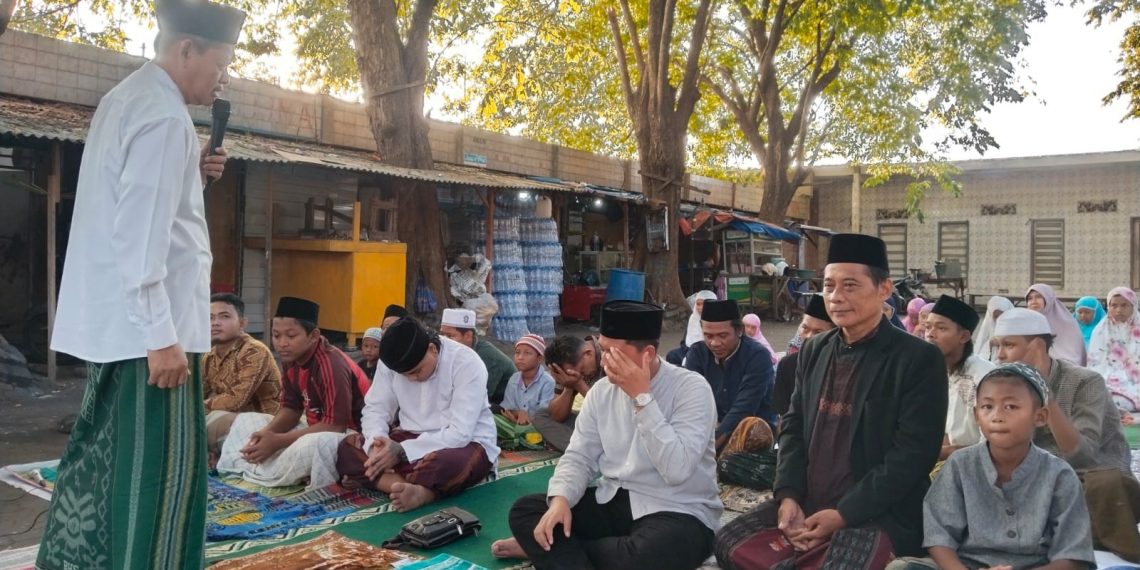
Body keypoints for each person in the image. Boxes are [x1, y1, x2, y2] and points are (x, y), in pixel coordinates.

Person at [36, 2, 246, 568]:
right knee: (157, 483)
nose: (223, 76)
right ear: (187, 50)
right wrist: (161, 336)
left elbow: (138, 212)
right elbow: (137, 238)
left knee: (102, 468)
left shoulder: (128, 99)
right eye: (221, 61)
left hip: (124, 330)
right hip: (150, 339)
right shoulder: (163, 117)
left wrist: (190, 174)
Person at [714, 233, 948, 570]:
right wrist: (789, 496)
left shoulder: (917, 358)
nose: (835, 298)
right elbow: (792, 426)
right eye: (828, 286)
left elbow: (913, 455)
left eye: (850, 285)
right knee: (728, 542)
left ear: (884, 288)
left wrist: (843, 515)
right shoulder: (814, 349)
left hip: (875, 511)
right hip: (811, 500)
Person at [494, 300, 723, 569]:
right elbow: (579, 457)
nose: (604, 361)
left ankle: (549, 551)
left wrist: (642, 398)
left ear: (647, 354)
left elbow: (677, 470)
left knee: (640, 557)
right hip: (615, 498)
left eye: (613, 352)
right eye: (602, 350)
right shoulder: (602, 392)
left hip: (679, 508)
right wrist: (560, 500)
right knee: (527, 511)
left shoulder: (692, 389)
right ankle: (556, 548)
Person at [888, 363, 1095, 570]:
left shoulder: (1059, 474)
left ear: (1039, 417)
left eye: (1011, 407)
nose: (997, 416)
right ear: (977, 415)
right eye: (988, 407)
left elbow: (1072, 554)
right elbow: (938, 537)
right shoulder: (960, 465)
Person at [993, 308, 1140, 562]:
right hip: (1036, 476)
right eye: (997, 346)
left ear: (1037, 346)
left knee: (1103, 486)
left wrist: (1042, 389)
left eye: (1008, 345)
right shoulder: (1002, 384)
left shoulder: (1085, 381)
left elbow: (1082, 455)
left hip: (1091, 476)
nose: (1000, 355)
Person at [337, 317, 498, 512]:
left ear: (433, 349)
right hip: (408, 437)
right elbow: (376, 409)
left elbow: (460, 434)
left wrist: (401, 452)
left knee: (448, 465)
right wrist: (377, 446)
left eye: (416, 371)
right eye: (405, 375)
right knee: (348, 448)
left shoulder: (467, 363)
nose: (412, 379)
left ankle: (385, 481)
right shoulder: (389, 363)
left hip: (464, 443)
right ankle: (413, 489)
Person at [217, 297, 371, 489]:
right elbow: (291, 408)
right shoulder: (291, 359)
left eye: (291, 336)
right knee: (247, 421)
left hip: (349, 434)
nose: (282, 343)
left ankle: (265, 470)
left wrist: (278, 441)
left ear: (314, 335)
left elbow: (335, 426)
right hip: (313, 427)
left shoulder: (331, 364)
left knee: (318, 444)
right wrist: (266, 434)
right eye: (276, 335)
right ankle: (257, 467)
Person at [684, 299, 777, 447]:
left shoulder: (758, 356)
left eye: (722, 336)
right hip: (709, 430)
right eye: (708, 336)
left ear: (739, 330)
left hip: (752, 434)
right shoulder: (697, 353)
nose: (714, 343)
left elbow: (744, 408)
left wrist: (707, 450)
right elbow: (693, 401)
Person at [203, 293, 282, 454]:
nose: (215, 323)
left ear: (242, 323)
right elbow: (198, 392)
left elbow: (235, 401)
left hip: (267, 424)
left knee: (207, 421)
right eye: (210, 318)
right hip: (234, 421)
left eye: (224, 316)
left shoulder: (254, 351)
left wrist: (198, 407)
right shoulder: (208, 355)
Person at [925, 295, 994, 460]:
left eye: (941, 328)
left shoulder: (984, 376)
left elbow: (993, 444)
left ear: (963, 337)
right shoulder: (928, 371)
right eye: (928, 327)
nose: (930, 335)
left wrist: (935, 453)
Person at [531, 335, 602, 452]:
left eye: (582, 371)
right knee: (542, 416)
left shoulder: (610, 354)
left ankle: (594, 452)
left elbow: (612, 412)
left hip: (622, 423)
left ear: (588, 354)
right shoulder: (567, 368)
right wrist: (569, 387)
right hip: (597, 426)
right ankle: (587, 451)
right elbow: (556, 417)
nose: (582, 375)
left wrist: (579, 384)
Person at [771, 294, 835, 419]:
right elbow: (784, 416)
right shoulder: (787, 365)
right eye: (805, 329)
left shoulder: (842, 367)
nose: (809, 336)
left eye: (818, 332)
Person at [439, 307, 516, 409]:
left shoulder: (486, 356)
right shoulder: (455, 352)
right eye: (442, 335)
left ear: (468, 335)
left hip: (506, 407)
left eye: (450, 336)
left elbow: (478, 398)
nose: (444, 340)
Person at [1088, 287, 1140, 422]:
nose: (1119, 310)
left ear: (1133, 306)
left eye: (1124, 305)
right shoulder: (1100, 331)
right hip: (1109, 380)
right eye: (1114, 305)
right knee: (1099, 396)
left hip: (1136, 380)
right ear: (1108, 306)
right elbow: (1095, 364)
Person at [496, 334, 556, 437]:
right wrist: (519, 413)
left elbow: (544, 416)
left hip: (538, 427)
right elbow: (508, 408)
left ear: (540, 358)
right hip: (514, 422)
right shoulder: (514, 378)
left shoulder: (548, 382)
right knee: (493, 419)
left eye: (527, 353)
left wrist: (524, 418)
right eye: (517, 352)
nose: (520, 357)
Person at [1026, 283, 1087, 365]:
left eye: (1038, 297)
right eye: (1029, 299)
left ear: (1048, 299)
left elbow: (1073, 358)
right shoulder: (1025, 323)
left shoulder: (1067, 323)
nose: (1033, 301)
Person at [667, 290, 717, 365]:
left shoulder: (716, 320)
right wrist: (688, 351)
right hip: (689, 349)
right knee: (672, 355)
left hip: (707, 352)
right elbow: (684, 341)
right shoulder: (693, 318)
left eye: (703, 304)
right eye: (698, 304)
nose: (700, 308)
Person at [974, 296, 1014, 362]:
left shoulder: (1016, 328)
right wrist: (990, 343)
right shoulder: (989, 327)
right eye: (996, 316)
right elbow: (980, 353)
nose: (999, 319)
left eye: (1002, 315)